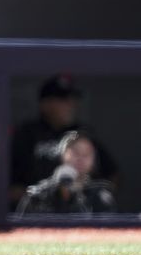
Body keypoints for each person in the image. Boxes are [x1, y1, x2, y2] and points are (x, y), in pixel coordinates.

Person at [10, 73, 118, 209]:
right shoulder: (27, 133)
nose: (71, 105)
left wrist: (97, 198)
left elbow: (112, 174)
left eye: (73, 99)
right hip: (40, 206)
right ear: (45, 104)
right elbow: (9, 182)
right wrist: (31, 196)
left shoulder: (83, 133)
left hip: (82, 209)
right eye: (63, 100)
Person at [16, 131, 117, 214]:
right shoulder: (37, 196)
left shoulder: (101, 198)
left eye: (87, 153)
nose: (81, 157)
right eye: (75, 152)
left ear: (94, 161)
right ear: (62, 155)